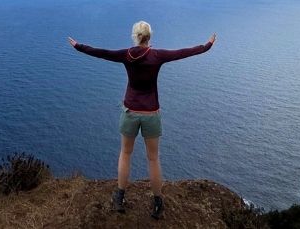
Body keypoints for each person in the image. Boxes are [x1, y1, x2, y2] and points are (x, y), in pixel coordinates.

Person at [67, 21, 217, 220]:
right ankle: (157, 203)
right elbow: (184, 52)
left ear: (134, 36)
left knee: (125, 153)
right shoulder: (157, 56)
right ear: (149, 36)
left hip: (130, 111)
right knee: (153, 159)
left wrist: (79, 46)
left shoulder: (126, 55)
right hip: (151, 113)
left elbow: (102, 52)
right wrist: (206, 46)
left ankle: (119, 198)